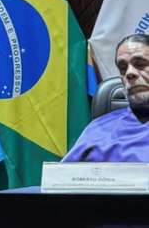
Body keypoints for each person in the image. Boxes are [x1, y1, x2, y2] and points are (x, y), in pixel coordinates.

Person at [63, 33, 149, 162]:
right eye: (123, 68)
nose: (129, 73)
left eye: (140, 64)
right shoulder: (98, 130)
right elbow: (59, 179)